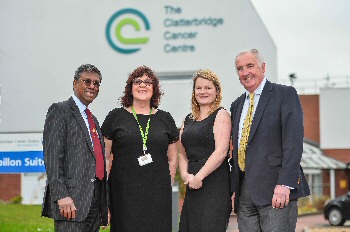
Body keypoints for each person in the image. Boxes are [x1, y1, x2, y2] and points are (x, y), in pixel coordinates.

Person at [230, 49, 310, 231]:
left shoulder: (285, 95)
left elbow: (293, 142)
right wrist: (234, 188)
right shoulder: (237, 105)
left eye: (250, 66)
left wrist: (284, 184)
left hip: (276, 190)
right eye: (240, 69)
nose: (245, 72)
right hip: (245, 194)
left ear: (263, 67)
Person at [101, 65, 179, 232]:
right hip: (123, 194)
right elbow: (105, 157)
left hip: (158, 194)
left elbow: (173, 158)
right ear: (130, 88)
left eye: (148, 82)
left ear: (154, 89)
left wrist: (167, 182)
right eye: (137, 81)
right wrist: (104, 191)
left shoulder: (165, 118)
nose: (142, 85)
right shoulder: (115, 117)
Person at [42, 64, 109, 232]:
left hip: (93, 201)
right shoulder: (60, 110)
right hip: (70, 202)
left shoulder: (93, 119)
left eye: (97, 83)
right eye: (87, 81)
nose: (92, 86)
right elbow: (52, 158)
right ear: (74, 83)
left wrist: (103, 204)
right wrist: (61, 196)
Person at [178, 69, 232, 232]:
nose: (203, 92)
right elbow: (182, 154)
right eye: (199, 88)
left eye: (208, 87)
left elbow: (221, 152)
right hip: (192, 183)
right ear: (194, 92)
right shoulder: (188, 119)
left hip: (214, 183)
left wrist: (199, 177)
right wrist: (185, 175)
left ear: (217, 90)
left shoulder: (221, 115)